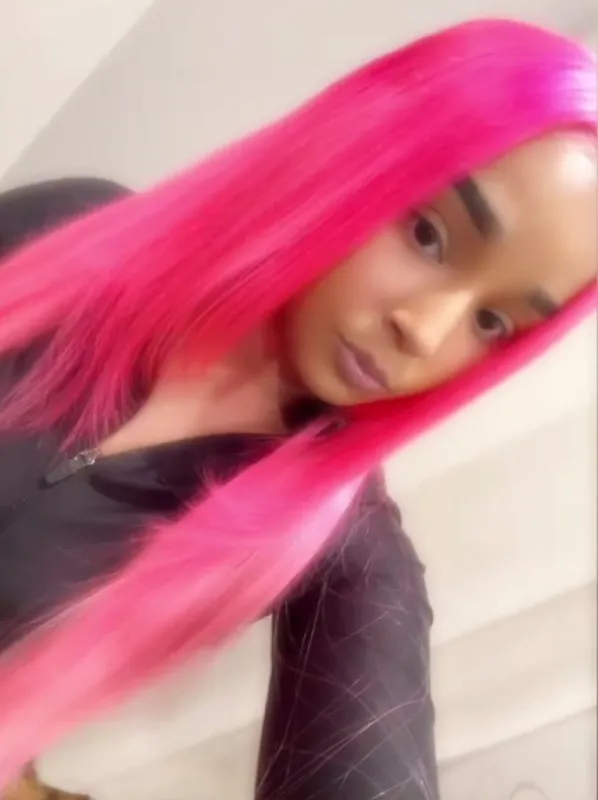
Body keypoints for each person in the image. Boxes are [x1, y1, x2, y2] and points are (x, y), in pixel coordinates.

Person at [0, 17, 595, 800]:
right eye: (428, 234)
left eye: (492, 323)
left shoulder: (331, 548)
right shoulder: (73, 229)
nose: (425, 331)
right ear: (356, 149)